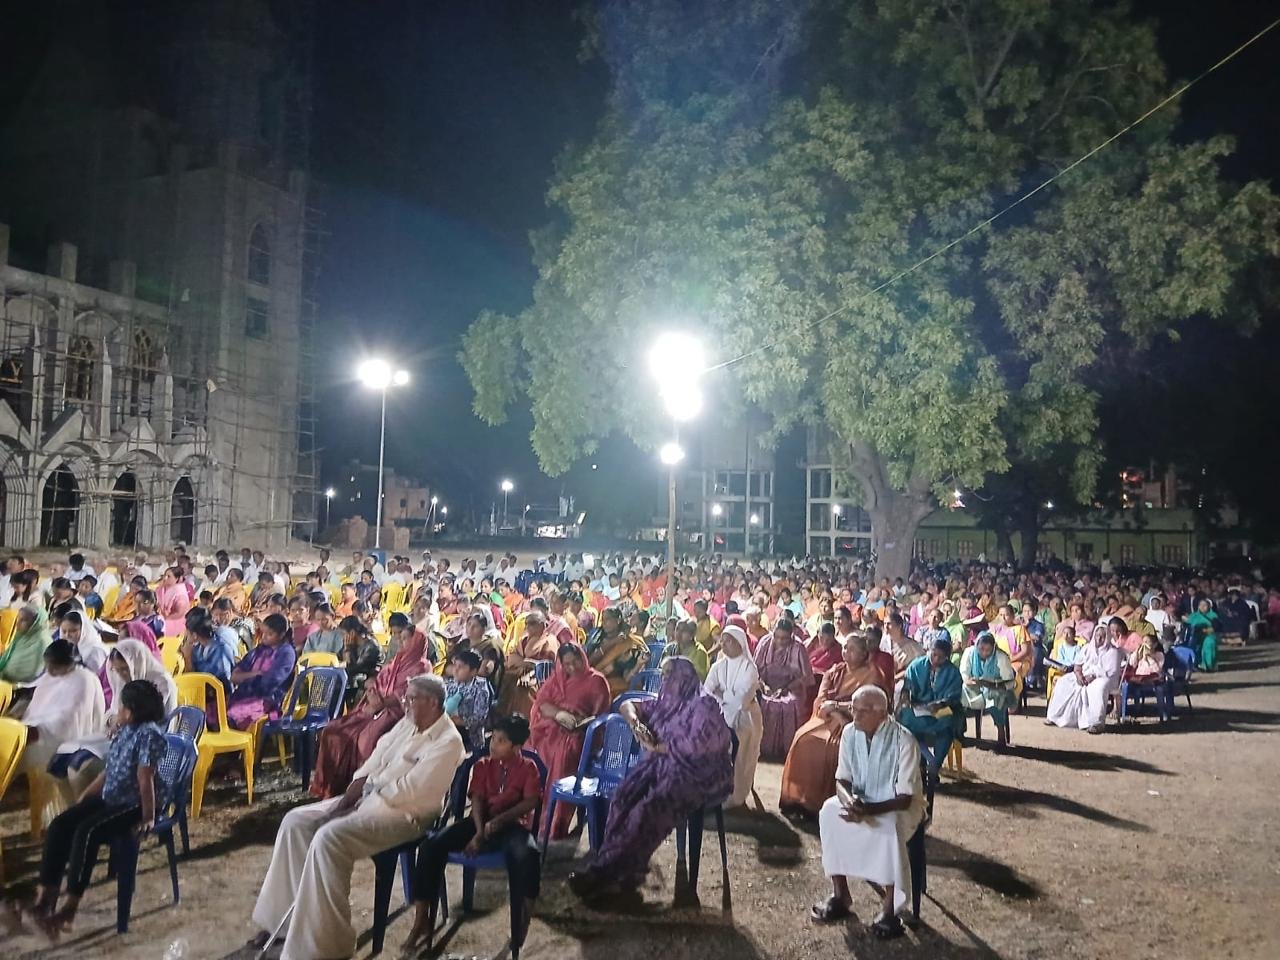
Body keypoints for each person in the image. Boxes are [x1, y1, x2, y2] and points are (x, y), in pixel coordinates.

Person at [248, 674, 465, 960]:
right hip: (370, 796)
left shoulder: (449, 741)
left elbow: (412, 789)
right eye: (406, 696)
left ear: (433, 702)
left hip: (406, 814)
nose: (404, 702)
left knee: (329, 839)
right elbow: (376, 758)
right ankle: (283, 923)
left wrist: (362, 799)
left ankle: (328, 946)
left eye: (411, 698)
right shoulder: (407, 723)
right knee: (295, 822)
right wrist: (351, 793)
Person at [568, 658, 732, 901]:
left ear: (684, 677)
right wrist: (636, 724)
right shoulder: (667, 702)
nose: (664, 680)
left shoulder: (704, 705)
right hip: (662, 765)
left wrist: (658, 747)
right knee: (624, 796)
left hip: (697, 774)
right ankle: (622, 868)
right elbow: (626, 704)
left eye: (669, 675)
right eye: (663, 675)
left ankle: (605, 872)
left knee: (649, 809)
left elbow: (706, 744)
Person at [28, 679, 167, 937]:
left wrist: (148, 816)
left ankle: (69, 909)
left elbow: (145, 779)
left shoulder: (149, 736)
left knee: (87, 831)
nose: (118, 710)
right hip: (111, 797)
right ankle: (46, 896)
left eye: (122, 707)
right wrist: (86, 796)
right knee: (60, 824)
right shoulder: (126, 730)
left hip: (134, 804)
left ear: (132, 711)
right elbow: (108, 771)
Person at [403, 714, 543, 956]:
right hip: (479, 821)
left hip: (512, 825)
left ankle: (522, 921)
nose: (493, 744)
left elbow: (530, 801)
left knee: (530, 855)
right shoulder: (483, 765)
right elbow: (477, 800)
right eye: (493, 738)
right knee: (430, 847)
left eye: (501, 741)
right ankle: (421, 920)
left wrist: (499, 821)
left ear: (516, 747)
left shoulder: (528, 768)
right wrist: (479, 832)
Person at [810, 685, 925, 940]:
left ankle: (890, 910)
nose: (856, 715)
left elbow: (905, 798)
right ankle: (840, 894)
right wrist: (850, 802)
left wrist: (868, 811)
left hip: (896, 807)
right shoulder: (850, 733)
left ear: (882, 713)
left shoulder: (904, 740)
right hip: (862, 802)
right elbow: (842, 779)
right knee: (829, 812)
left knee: (888, 827)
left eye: (863, 711)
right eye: (854, 709)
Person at [309, 612, 432, 799]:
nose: (400, 642)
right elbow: (379, 681)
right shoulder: (396, 661)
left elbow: (407, 694)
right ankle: (332, 787)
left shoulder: (421, 666)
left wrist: (381, 702)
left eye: (405, 639)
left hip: (396, 713)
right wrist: (373, 693)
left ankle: (361, 790)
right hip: (375, 707)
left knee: (365, 741)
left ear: (416, 643)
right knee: (333, 729)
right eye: (400, 638)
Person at [50, 637, 177, 800]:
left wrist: (122, 721)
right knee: (60, 760)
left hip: (143, 745)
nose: (122, 674)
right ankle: (73, 809)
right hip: (122, 736)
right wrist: (113, 721)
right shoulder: (123, 680)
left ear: (136, 662)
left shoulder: (161, 682)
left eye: (125, 669)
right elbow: (114, 710)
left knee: (79, 769)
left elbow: (150, 720)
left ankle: (89, 809)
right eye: (117, 670)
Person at [780, 632, 891, 816]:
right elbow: (821, 699)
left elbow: (866, 705)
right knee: (803, 738)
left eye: (852, 649)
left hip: (856, 722)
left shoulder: (873, 674)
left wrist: (838, 709)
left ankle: (823, 804)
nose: (846, 652)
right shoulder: (835, 670)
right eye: (845, 647)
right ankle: (798, 800)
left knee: (833, 748)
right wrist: (835, 713)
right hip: (827, 718)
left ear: (864, 653)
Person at [20, 640, 107, 830]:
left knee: (17, 749)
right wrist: (28, 724)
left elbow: (70, 719)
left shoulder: (83, 679)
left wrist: (37, 729)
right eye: (48, 665)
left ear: (68, 664)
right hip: (41, 729)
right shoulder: (51, 676)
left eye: (53, 666)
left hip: (66, 738)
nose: (49, 670)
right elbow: (37, 707)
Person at [529, 641, 612, 839]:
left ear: (583, 658)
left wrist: (579, 722)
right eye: (567, 664)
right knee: (526, 750)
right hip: (552, 729)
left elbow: (600, 717)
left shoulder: (597, 681)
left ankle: (556, 822)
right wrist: (559, 714)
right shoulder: (557, 679)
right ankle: (531, 815)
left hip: (584, 735)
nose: (572, 667)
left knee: (565, 750)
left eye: (576, 662)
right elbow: (541, 704)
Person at [703, 625, 762, 808]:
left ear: (739, 643)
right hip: (719, 714)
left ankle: (734, 792)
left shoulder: (749, 668)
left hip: (745, 717)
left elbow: (743, 700)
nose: (724, 644)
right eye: (723, 640)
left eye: (729, 641)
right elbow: (707, 691)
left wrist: (722, 694)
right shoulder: (718, 666)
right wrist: (725, 697)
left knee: (737, 741)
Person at [896, 637, 964, 779]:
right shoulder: (916, 666)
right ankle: (921, 763)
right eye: (934, 654)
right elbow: (906, 688)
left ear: (947, 657)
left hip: (943, 709)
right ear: (928, 651)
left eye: (941, 657)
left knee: (948, 724)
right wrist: (906, 698)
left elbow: (954, 697)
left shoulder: (953, 672)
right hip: (919, 708)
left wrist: (940, 704)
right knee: (906, 721)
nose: (936, 659)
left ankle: (935, 765)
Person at [1045, 620, 1124, 733]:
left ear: (1107, 637)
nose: (1099, 639)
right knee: (1063, 682)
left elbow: (1112, 672)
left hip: (1102, 678)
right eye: (1097, 636)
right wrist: (1079, 675)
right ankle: (1055, 717)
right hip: (1083, 675)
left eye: (1102, 637)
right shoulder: (1087, 648)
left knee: (1098, 687)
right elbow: (1077, 665)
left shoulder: (1113, 652)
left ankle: (1096, 723)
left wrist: (1093, 676)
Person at [754, 618, 815, 761]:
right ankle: (764, 749)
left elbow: (806, 677)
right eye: (777, 637)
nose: (780, 641)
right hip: (765, 686)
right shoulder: (764, 642)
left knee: (789, 704)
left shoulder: (798, 647)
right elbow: (754, 671)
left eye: (785, 638)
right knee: (764, 703)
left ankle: (787, 750)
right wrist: (764, 686)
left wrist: (786, 688)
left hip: (792, 688)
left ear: (791, 635)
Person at [225, 613, 297, 730]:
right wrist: (255, 674)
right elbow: (234, 676)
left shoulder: (286, 653)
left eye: (270, 634)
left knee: (233, 715)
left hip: (269, 701)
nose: (264, 637)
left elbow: (271, 682)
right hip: (245, 695)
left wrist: (247, 678)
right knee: (213, 714)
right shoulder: (258, 651)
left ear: (281, 635)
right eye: (263, 633)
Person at [959, 631, 1017, 746]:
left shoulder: (1001, 656)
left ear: (993, 648)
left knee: (995, 696)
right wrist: (970, 681)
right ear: (977, 645)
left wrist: (993, 685)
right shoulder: (969, 653)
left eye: (988, 650)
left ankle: (1001, 731)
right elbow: (964, 673)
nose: (984, 653)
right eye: (981, 649)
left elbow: (1009, 681)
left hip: (996, 688)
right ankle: (959, 730)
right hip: (975, 688)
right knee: (961, 692)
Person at [499, 610, 559, 716]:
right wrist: (526, 663)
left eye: (532, 623)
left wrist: (524, 663)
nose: (528, 626)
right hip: (517, 675)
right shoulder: (523, 639)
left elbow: (545, 665)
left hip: (538, 680)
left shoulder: (549, 641)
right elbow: (512, 658)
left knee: (525, 687)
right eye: (526, 623)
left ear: (542, 625)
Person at [584, 606, 650, 698]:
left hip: (616, 685)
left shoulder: (627, 642)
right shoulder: (597, 636)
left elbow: (628, 675)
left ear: (618, 620)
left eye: (608, 619)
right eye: (603, 619)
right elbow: (587, 661)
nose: (604, 623)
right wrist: (611, 643)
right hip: (592, 678)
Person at [444, 649, 493, 750]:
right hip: (448, 728)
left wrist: (461, 721)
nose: (456, 670)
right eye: (455, 665)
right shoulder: (449, 684)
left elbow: (480, 719)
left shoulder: (481, 689)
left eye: (461, 667)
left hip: (468, 736)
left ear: (473, 672)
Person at [180, 610, 238, 687]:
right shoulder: (197, 648)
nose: (185, 633)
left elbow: (193, 682)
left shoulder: (221, 650)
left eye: (187, 630)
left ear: (194, 635)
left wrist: (187, 658)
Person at [0, 602, 51, 683]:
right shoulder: (21, 636)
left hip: (21, 687)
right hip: (5, 680)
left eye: (23, 620)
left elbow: (31, 674)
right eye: (18, 618)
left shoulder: (42, 643)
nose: (17, 623)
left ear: (36, 623)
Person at [337, 614, 382, 705]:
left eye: (344, 634)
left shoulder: (371, 646)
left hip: (369, 678)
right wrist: (347, 649)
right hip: (355, 679)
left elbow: (358, 668)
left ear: (352, 633)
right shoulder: (351, 644)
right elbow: (339, 658)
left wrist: (348, 650)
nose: (343, 637)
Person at [155, 566, 192, 637]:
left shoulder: (180, 593)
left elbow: (180, 613)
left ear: (176, 579)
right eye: (165, 575)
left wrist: (166, 619)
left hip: (176, 621)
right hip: (161, 617)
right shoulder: (161, 588)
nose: (165, 578)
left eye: (168, 576)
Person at [1185, 598, 1221, 672]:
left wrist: (1205, 631)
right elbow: (1187, 627)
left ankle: (1208, 666)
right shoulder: (1193, 616)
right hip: (1194, 636)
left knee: (1209, 642)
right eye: (1201, 605)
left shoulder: (1213, 616)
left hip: (1208, 635)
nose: (1202, 607)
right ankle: (1193, 664)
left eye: (1205, 605)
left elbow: (1216, 627)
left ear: (1209, 606)